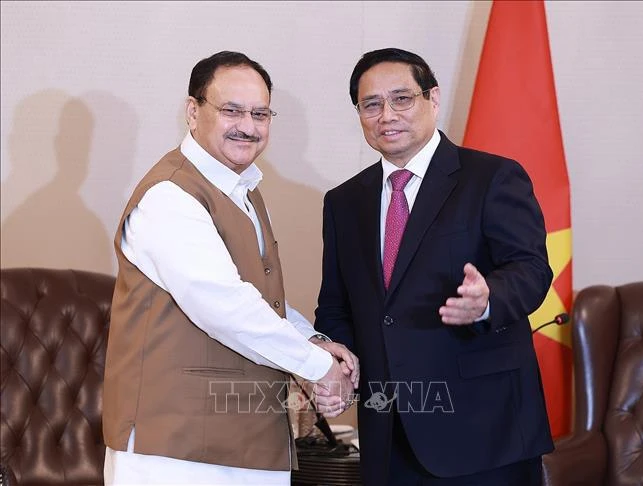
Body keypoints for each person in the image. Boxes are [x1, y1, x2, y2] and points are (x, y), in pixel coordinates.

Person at [102, 50, 357, 485]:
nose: (248, 125)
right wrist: (317, 367)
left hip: (247, 439)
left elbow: (258, 300)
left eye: (261, 113)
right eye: (232, 110)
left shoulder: (245, 190)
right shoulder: (170, 195)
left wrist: (315, 340)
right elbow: (224, 305)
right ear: (192, 111)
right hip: (174, 451)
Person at [313, 48, 554, 486]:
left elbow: (531, 269)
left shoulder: (492, 177)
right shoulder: (343, 202)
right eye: (372, 104)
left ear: (433, 98)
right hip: (387, 431)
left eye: (401, 98)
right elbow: (336, 307)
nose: (387, 115)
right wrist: (335, 362)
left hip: (485, 429)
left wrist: (486, 301)